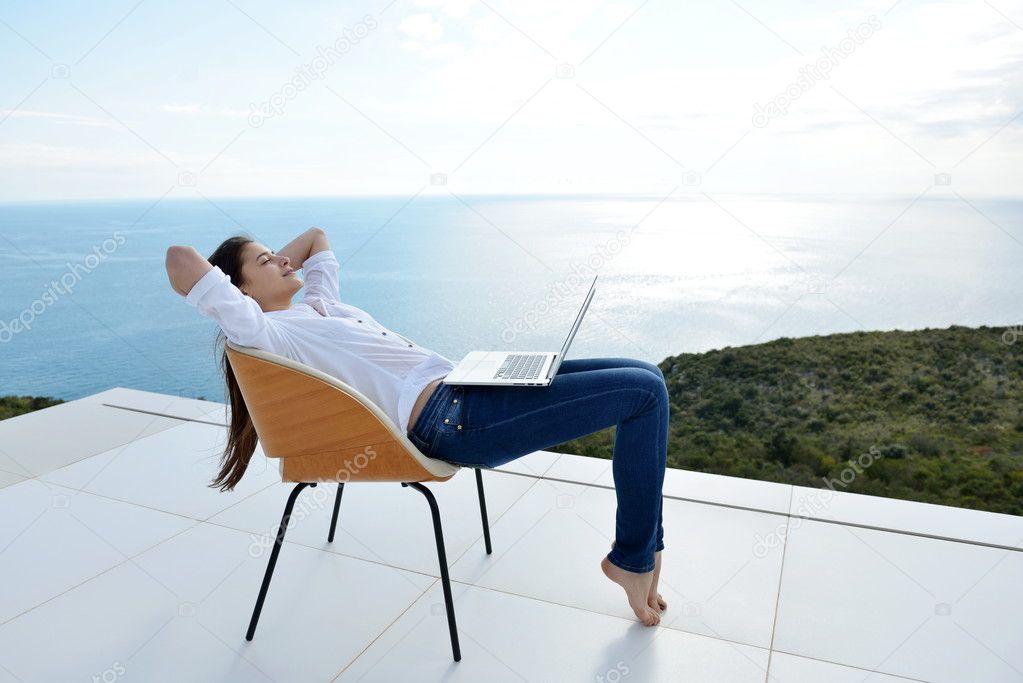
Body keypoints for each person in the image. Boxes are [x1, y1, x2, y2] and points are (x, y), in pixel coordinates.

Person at [165, 227, 670, 626]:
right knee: (645, 396)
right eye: (264, 262)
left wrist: (270, 264)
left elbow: (317, 236)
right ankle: (634, 557)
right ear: (238, 293)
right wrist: (238, 290)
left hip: (466, 387)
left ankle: (643, 549)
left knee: (645, 374)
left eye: (278, 254)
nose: (282, 259)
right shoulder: (265, 331)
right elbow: (180, 259)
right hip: (452, 422)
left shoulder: (318, 306)